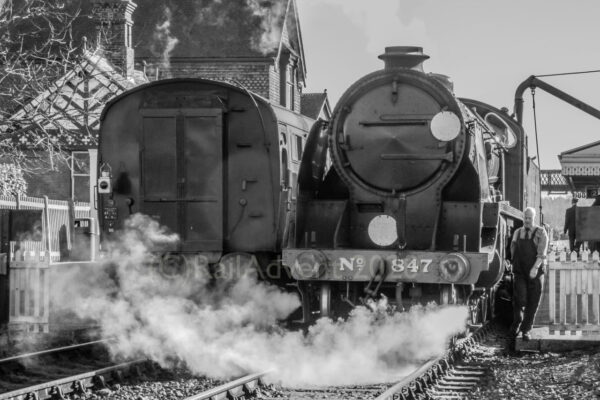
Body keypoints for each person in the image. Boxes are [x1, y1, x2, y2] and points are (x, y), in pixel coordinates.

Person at [508, 207, 548, 351]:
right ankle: (517, 323)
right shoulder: (518, 232)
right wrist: (513, 262)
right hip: (520, 271)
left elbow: (542, 253)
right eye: (525, 218)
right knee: (520, 298)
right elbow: (513, 248)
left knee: (533, 301)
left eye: (529, 218)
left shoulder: (541, 232)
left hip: (535, 271)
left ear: (534, 218)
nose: (527, 220)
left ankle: (526, 330)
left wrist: (535, 268)